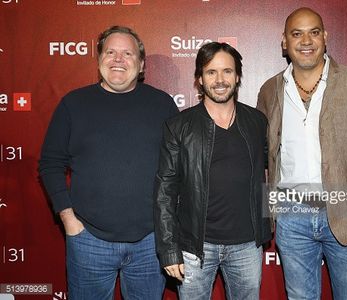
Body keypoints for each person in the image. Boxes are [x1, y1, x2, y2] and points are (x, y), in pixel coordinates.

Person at [257, 7, 347, 300]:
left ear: (325, 37)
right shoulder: (270, 90)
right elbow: (265, 158)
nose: (306, 41)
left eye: (313, 32)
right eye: (296, 34)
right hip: (292, 215)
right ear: (284, 42)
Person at [39, 26, 178, 300]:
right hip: (88, 239)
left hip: (150, 242)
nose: (118, 59)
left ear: (141, 65)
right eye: (110, 52)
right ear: (99, 59)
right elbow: (50, 164)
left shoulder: (162, 105)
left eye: (127, 53)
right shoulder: (73, 104)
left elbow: (178, 168)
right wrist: (69, 220)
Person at [154, 42, 272, 300]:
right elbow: (164, 191)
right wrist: (169, 249)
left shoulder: (257, 122)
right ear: (199, 79)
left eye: (227, 71)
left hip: (247, 245)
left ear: (238, 76)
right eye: (211, 72)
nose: (220, 80)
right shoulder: (179, 126)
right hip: (195, 247)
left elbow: (272, 173)